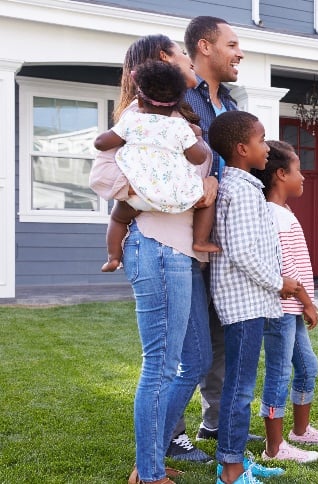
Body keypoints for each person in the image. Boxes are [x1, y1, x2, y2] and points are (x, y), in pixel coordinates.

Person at [88, 34, 217, 484]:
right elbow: (103, 177)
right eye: (182, 54)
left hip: (182, 251)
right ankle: (149, 471)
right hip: (157, 247)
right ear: (165, 61)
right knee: (161, 363)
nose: (189, 58)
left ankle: (150, 458)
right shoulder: (135, 118)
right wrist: (160, 195)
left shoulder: (179, 121)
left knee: (196, 358)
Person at [165, 16, 259, 454]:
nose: (240, 52)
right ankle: (170, 433)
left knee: (221, 335)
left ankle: (215, 425)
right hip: (185, 237)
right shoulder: (179, 97)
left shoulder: (233, 103)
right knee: (185, 342)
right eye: (232, 44)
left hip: (226, 240)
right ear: (205, 46)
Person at [207, 111, 300, 484]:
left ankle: (233, 461)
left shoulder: (244, 187)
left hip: (249, 302)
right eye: (262, 140)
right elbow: (243, 252)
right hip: (243, 304)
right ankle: (230, 471)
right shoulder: (241, 191)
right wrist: (280, 282)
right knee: (240, 389)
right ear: (243, 148)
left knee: (240, 384)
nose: (267, 147)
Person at [250, 141, 318, 465]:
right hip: (279, 310)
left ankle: (300, 432)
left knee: (307, 367)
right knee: (278, 374)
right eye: (298, 170)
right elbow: (284, 267)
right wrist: (308, 302)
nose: (303, 177)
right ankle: (274, 448)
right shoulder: (272, 215)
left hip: (290, 309)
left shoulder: (282, 211)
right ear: (279, 174)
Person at [93, 59, 218, 273]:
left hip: (138, 197)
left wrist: (118, 137)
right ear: (178, 105)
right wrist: (196, 137)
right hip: (178, 197)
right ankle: (200, 240)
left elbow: (101, 143)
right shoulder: (181, 127)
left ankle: (113, 256)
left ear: (140, 101)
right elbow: (198, 158)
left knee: (117, 217)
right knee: (207, 201)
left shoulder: (132, 120)